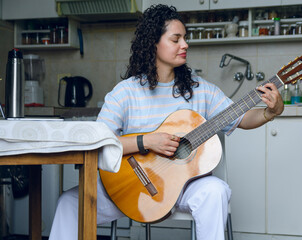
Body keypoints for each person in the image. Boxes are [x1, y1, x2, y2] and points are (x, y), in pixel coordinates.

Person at [49, 4, 284, 240]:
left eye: (185, 38)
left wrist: (270, 112)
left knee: (216, 190)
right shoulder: (125, 92)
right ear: (154, 43)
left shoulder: (200, 89)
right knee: (69, 203)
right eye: (176, 39)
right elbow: (98, 143)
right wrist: (147, 142)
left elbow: (243, 118)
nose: (185, 45)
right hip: (131, 189)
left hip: (184, 187)